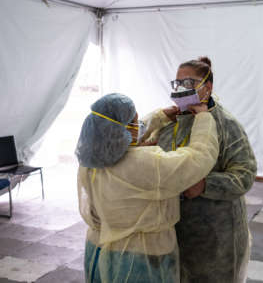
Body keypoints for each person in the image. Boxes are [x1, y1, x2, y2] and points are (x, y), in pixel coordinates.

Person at [75, 93, 219, 282]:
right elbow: (198, 157)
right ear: (122, 129)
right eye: (134, 121)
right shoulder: (147, 163)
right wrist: (203, 118)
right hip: (141, 258)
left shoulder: (89, 159)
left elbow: (121, 133)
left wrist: (160, 117)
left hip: (97, 248)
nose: (139, 126)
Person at [158, 57, 257, 283]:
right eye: (177, 83)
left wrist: (204, 185)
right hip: (174, 230)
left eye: (188, 84)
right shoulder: (171, 121)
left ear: (207, 87)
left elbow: (245, 174)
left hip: (215, 234)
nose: (181, 89)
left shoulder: (226, 124)